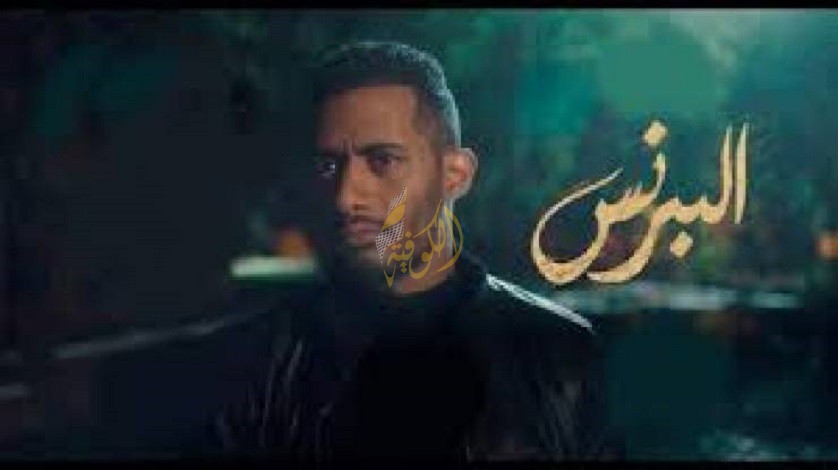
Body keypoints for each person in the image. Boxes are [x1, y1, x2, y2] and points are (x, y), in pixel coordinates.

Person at [215, 40, 615, 461]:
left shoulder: (557, 354)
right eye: (329, 166)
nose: (346, 197)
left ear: (455, 175)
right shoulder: (254, 364)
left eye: (382, 161)